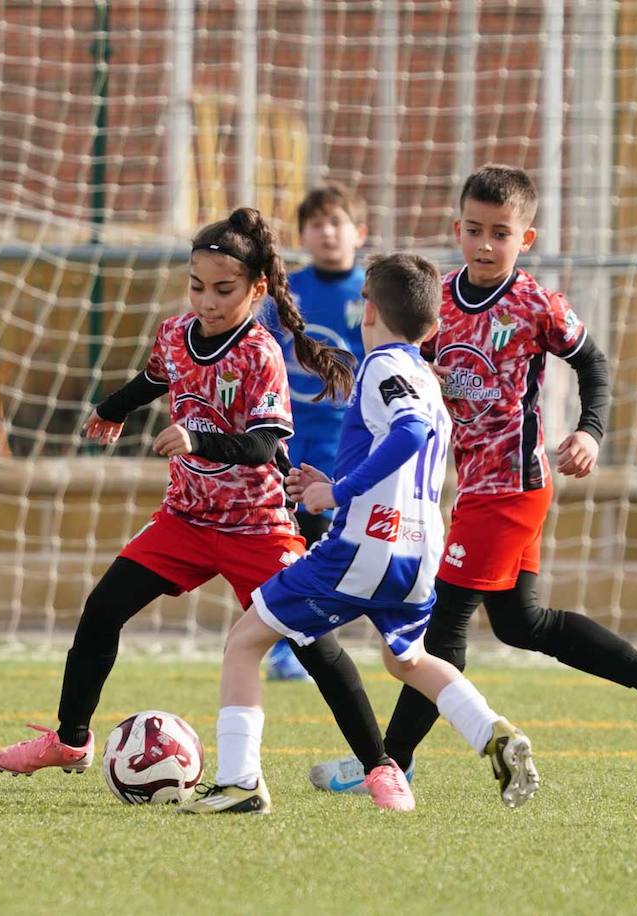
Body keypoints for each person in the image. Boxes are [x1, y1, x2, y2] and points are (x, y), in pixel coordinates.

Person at [310, 165, 637, 795]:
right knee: (523, 624)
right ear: (456, 229)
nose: (485, 244)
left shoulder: (536, 304)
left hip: (514, 486)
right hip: (474, 491)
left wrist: (589, 430)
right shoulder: (438, 303)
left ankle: (389, 761)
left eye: (500, 233)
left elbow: (594, 364)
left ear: (527, 238)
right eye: (473, 230)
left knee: (444, 629)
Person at [0, 207, 383, 777]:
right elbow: (157, 377)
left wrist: (197, 437)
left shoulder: (260, 353)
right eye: (197, 286)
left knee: (313, 643)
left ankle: (382, 767)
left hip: (257, 526)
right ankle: (70, 741)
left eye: (225, 290)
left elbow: (263, 444)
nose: (207, 301)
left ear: (257, 289)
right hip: (186, 520)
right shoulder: (175, 333)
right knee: (101, 612)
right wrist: (111, 408)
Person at [178, 253, 539, 815]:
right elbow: (404, 439)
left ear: (366, 309)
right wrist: (335, 480)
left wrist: (337, 495)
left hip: (365, 547)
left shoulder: (382, 366)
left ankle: (240, 781)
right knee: (409, 660)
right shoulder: (424, 372)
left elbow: (410, 432)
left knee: (245, 641)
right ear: (436, 324)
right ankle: (492, 732)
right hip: (419, 553)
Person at [261, 183, 370, 681]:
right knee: (282, 539)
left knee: (323, 541)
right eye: (317, 223)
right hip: (282, 437)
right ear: (302, 234)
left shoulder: (371, 294)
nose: (328, 232)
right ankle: (285, 639)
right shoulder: (285, 295)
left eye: (337, 222)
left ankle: (303, 638)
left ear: (359, 233)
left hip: (340, 442)